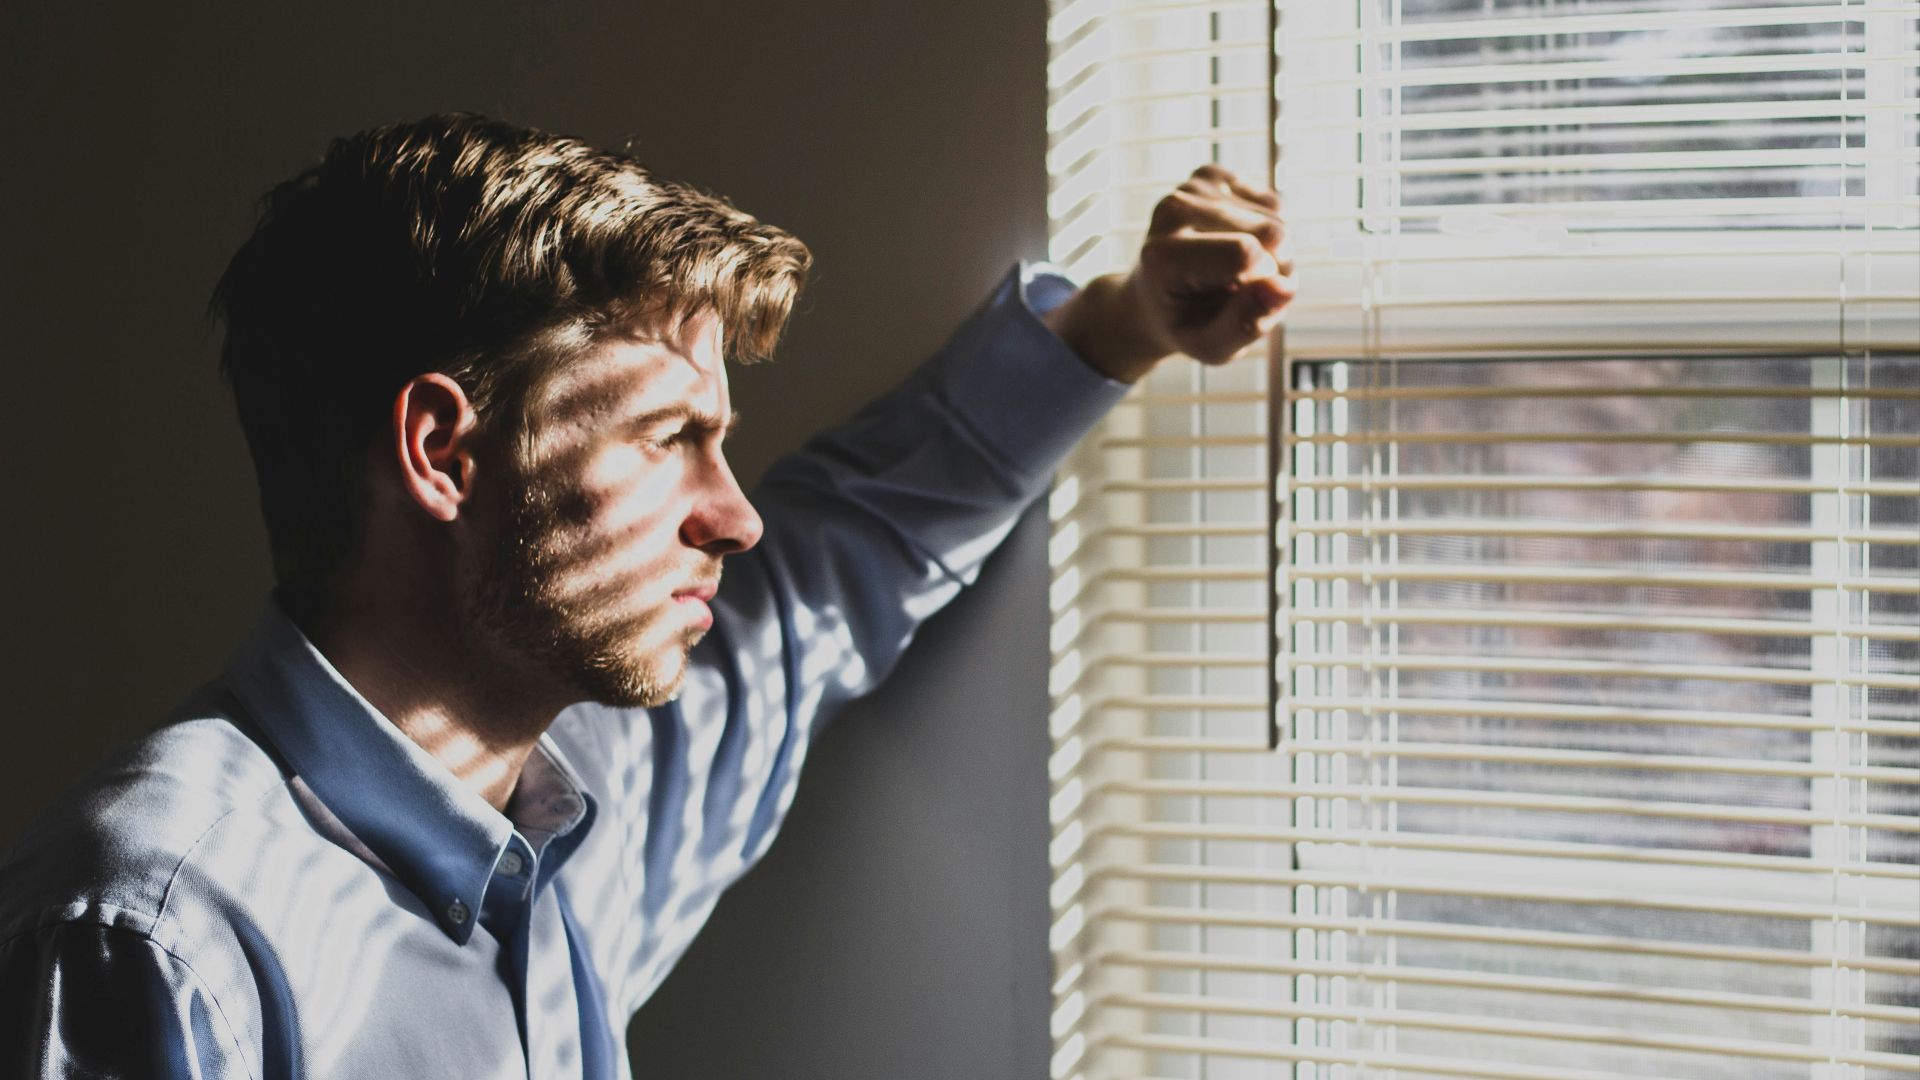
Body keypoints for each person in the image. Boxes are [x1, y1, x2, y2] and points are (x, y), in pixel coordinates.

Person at [0, 114, 1292, 1078]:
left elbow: (852, 551)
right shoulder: (153, 931)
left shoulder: (593, 792)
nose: (732, 515)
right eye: (670, 438)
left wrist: (1123, 326)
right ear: (446, 453)